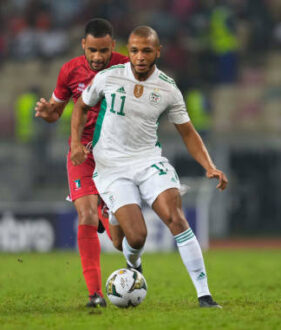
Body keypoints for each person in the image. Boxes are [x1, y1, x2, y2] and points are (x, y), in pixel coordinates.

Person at [70, 25, 228, 308]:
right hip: (111, 167)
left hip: (148, 161)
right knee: (134, 237)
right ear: (127, 51)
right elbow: (81, 107)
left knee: (176, 218)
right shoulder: (107, 78)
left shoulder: (168, 88)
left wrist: (209, 165)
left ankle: (204, 294)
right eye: (134, 51)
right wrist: (75, 144)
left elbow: (188, 132)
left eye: (146, 50)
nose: (140, 56)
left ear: (158, 51)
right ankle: (134, 262)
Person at [34, 18, 129, 307]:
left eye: (103, 50)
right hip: (82, 154)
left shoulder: (127, 66)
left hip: (117, 155)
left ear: (113, 45)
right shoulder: (69, 71)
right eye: (92, 51)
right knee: (85, 215)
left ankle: (129, 255)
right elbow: (57, 112)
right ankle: (95, 294)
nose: (98, 57)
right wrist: (50, 114)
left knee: (118, 237)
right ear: (83, 46)